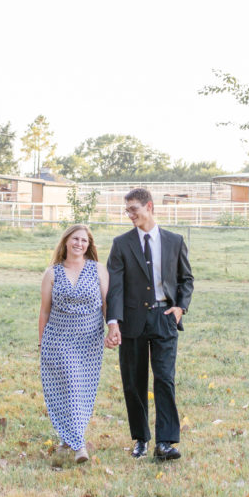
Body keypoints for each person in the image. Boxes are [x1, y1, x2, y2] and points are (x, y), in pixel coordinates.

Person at [105, 188, 194, 461]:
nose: (129, 215)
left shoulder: (174, 241)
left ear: (149, 206)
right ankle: (141, 439)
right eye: (127, 210)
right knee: (134, 382)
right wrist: (113, 323)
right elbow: (115, 287)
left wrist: (180, 307)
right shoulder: (121, 244)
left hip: (164, 318)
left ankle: (165, 442)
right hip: (132, 321)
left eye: (134, 209)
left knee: (165, 379)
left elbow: (186, 279)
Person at [38, 223, 108, 463]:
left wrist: (113, 329)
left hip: (89, 341)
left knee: (81, 390)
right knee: (67, 386)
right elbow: (44, 311)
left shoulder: (98, 270)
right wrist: (42, 344)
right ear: (66, 241)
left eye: (84, 240)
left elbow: (106, 304)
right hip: (59, 339)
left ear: (89, 245)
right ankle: (80, 447)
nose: (79, 244)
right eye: (75, 239)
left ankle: (67, 440)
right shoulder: (52, 273)